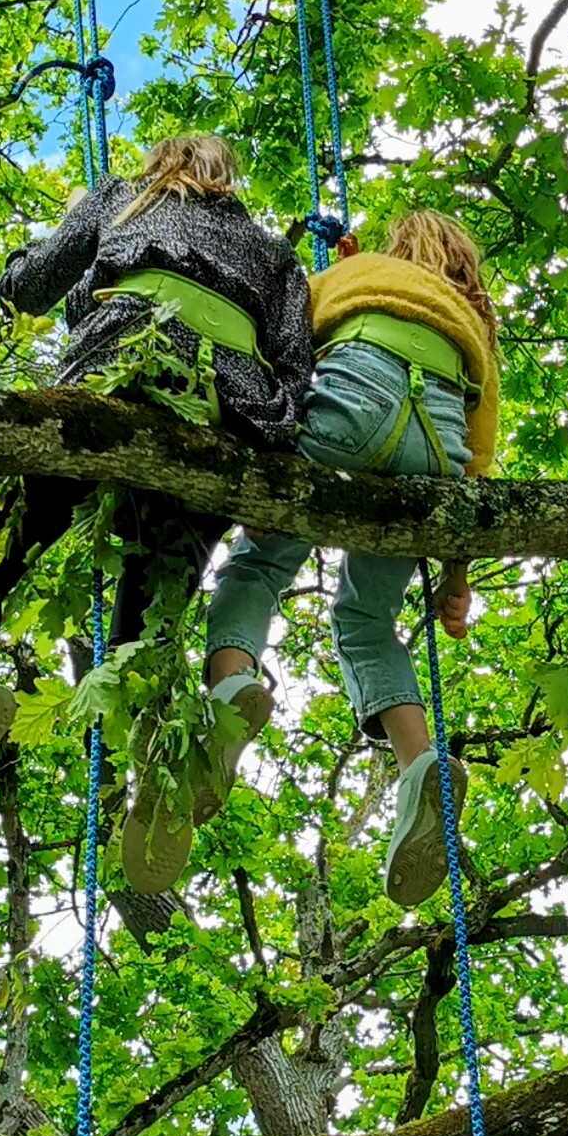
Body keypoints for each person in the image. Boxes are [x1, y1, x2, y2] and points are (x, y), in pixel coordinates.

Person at [0, 135, 313, 889]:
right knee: (147, 615)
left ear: (160, 165)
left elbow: (26, 290)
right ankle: (164, 772)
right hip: (221, 415)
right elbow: (295, 371)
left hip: (113, 367)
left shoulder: (121, 197)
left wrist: (44, 242)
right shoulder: (276, 255)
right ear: (227, 180)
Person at [200, 210, 500, 907]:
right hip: (436, 454)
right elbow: (481, 459)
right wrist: (454, 575)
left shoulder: (356, 272)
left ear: (394, 247)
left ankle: (231, 687)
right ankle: (418, 762)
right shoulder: (470, 322)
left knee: (258, 566)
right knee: (366, 619)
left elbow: (287, 349)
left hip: (350, 410)